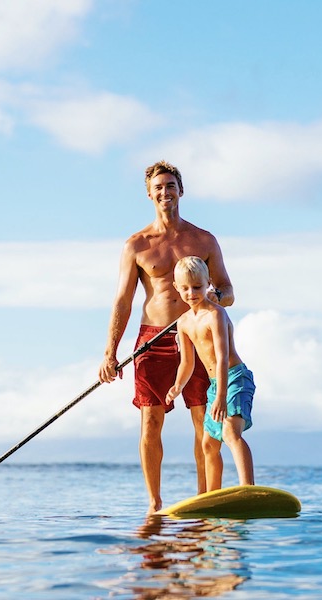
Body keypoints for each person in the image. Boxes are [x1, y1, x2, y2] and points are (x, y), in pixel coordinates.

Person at [99, 160, 235, 514]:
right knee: (151, 420)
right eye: (158, 187)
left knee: (204, 418)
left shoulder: (204, 240)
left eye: (170, 185)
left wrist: (209, 299)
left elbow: (228, 290)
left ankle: (206, 497)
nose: (165, 192)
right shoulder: (137, 245)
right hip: (152, 339)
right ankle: (155, 503)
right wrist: (109, 353)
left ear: (181, 190)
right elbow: (123, 300)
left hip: (197, 335)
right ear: (149, 194)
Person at [166, 256, 255, 491]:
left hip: (234, 378)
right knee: (208, 444)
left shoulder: (215, 314)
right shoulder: (183, 322)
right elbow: (187, 363)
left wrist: (221, 397)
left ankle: (248, 488)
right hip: (216, 385)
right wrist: (177, 386)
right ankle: (212, 496)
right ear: (176, 287)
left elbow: (222, 356)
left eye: (197, 287)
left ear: (208, 284)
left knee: (229, 432)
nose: (191, 293)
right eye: (185, 288)